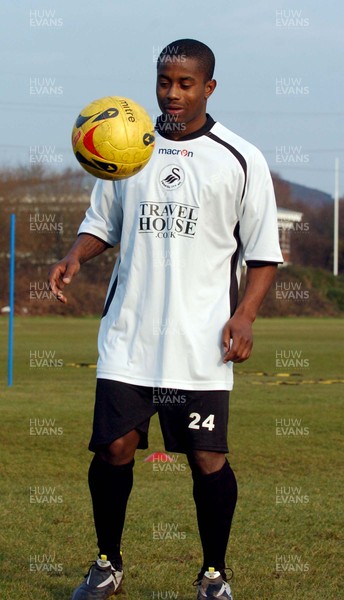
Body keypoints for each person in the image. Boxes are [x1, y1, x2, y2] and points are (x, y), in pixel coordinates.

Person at [49, 39, 283, 600]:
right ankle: (107, 563)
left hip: (200, 341)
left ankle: (214, 575)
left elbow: (264, 252)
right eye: (164, 82)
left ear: (209, 86)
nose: (172, 93)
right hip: (128, 334)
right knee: (113, 448)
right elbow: (100, 224)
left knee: (208, 458)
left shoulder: (241, 158)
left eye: (184, 83)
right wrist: (74, 256)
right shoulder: (126, 150)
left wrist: (245, 315)